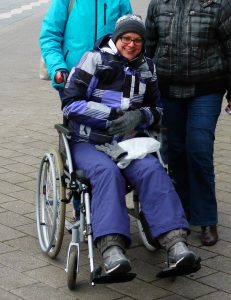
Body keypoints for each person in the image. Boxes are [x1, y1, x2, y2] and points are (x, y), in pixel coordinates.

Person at [61, 14, 200, 276]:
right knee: (107, 173)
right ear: (116, 38)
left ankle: (176, 245)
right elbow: (70, 104)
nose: (131, 44)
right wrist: (110, 116)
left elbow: (157, 109)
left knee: (153, 171)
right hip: (89, 141)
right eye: (126, 38)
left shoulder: (148, 67)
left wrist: (140, 116)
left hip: (129, 143)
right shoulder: (94, 60)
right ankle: (112, 251)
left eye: (137, 40)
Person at [145, 0, 231, 246]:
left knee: (199, 148)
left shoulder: (219, 4)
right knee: (174, 150)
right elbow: (149, 45)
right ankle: (180, 211)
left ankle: (206, 218)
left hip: (206, 89)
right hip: (167, 89)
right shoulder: (158, 4)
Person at [40, 0, 132, 219]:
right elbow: (49, 35)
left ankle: (107, 196)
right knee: (79, 137)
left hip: (110, 83)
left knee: (110, 135)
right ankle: (81, 208)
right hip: (75, 81)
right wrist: (58, 67)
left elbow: (128, 33)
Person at [39, 0, 132, 95]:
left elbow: (129, 36)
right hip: (73, 78)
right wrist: (57, 67)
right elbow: (50, 35)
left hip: (109, 78)